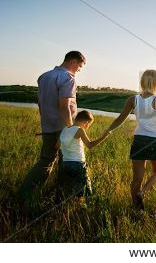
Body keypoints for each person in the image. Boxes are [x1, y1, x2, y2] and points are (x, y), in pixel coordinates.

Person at [106, 69, 156, 210]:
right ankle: (142, 192)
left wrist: (108, 130)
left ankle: (136, 207)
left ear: (142, 81)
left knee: (136, 179)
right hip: (155, 141)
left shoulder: (133, 99)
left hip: (139, 140)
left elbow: (120, 119)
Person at [19, 51, 86, 199]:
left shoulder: (44, 76)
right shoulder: (68, 78)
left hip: (48, 125)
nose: (79, 70)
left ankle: (26, 193)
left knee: (46, 160)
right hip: (64, 127)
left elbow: (40, 103)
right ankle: (63, 196)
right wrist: (70, 128)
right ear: (73, 62)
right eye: (79, 67)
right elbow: (65, 106)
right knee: (68, 161)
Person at [56, 110, 110, 198]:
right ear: (86, 122)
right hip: (78, 164)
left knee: (68, 188)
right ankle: (81, 206)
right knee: (85, 191)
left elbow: (57, 146)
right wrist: (103, 137)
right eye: (89, 125)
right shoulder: (80, 130)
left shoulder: (65, 129)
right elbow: (90, 145)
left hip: (65, 164)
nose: (88, 127)